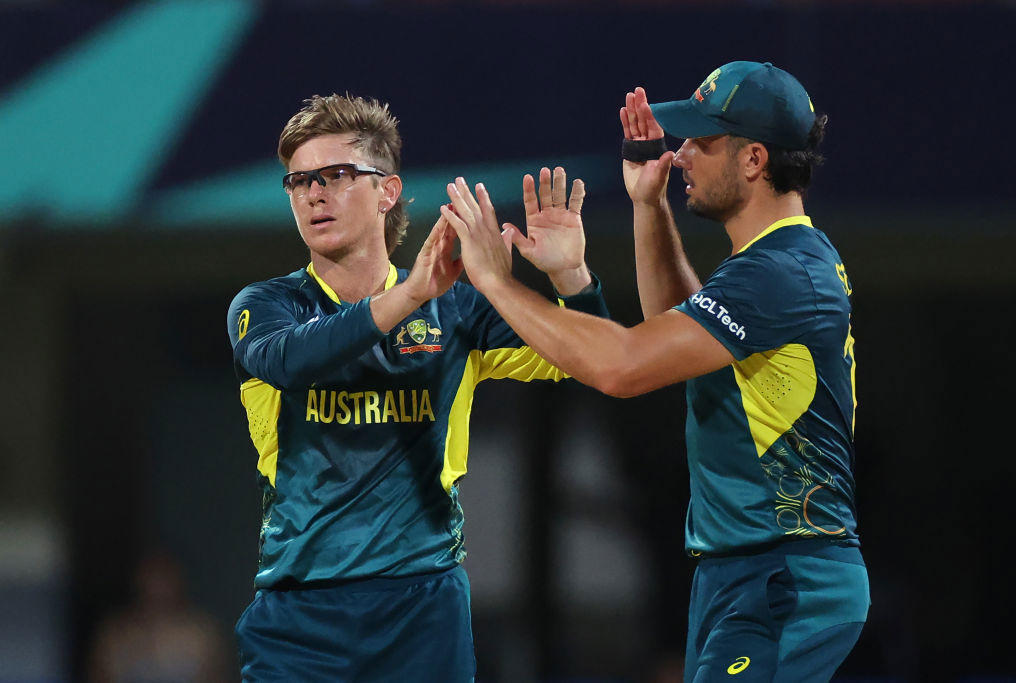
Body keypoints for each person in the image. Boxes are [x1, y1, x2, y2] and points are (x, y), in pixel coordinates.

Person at [441, 61, 869, 682]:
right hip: (751, 572)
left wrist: (494, 282)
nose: (681, 154)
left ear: (753, 160)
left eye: (702, 141)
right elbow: (675, 331)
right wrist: (644, 209)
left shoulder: (778, 274)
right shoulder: (775, 262)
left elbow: (622, 367)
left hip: (784, 574)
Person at [225, 93, 607, 682]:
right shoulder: (267, 306)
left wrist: (570, 276)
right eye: (298, 181)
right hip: (299, 614)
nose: (314, 193)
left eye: (336, 175)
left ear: (388, 190)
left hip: (422, 607)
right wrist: (408, 296)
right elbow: (288, 362)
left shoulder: (454, 307)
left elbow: (595, 358)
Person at [86, 549, 231, 683]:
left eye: (163, 581)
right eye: (151, 580)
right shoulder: (115, 635)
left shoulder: (201, 635)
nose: (157, 589)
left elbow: (216, 676)